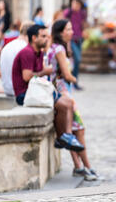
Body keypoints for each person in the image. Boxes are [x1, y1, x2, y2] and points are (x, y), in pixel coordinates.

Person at [11, 24, 85, 153]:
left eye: (47, 36)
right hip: (26, 95)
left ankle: (65, 136)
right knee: (65, 104)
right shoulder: (27, 52)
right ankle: (64, 136)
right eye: (43, 36)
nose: (47, 39)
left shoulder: (39, 53)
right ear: (34, 38)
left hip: (37, 92)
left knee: (68, 103)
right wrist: (44, 72)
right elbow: (27, 76)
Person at [47, 19, 98, 181]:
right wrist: (76, 80)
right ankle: (87, 167)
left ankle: (79, 166)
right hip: (64, 93)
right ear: (60, 32)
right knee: (79, 130)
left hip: (60, 92)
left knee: (73, 131)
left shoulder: (56, 47)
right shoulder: (60, 48)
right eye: (68, 29)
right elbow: (67, 75)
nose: (71, 32)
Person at [0, 21, 34, 97]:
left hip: (7, 89)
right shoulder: (26, 48)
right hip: (19, 91)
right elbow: (28, 76)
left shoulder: (7, 46)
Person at [63, 0, 87, 90]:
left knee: (77, 62)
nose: (75, 6)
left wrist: (84, 30)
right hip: (70, 39)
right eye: (74, 3)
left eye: (77, 4)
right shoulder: (68, 12)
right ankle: (71, 80)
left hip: (79, 38)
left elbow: (83, 24)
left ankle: (74, 81)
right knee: (77, 59)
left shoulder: (82, 13)